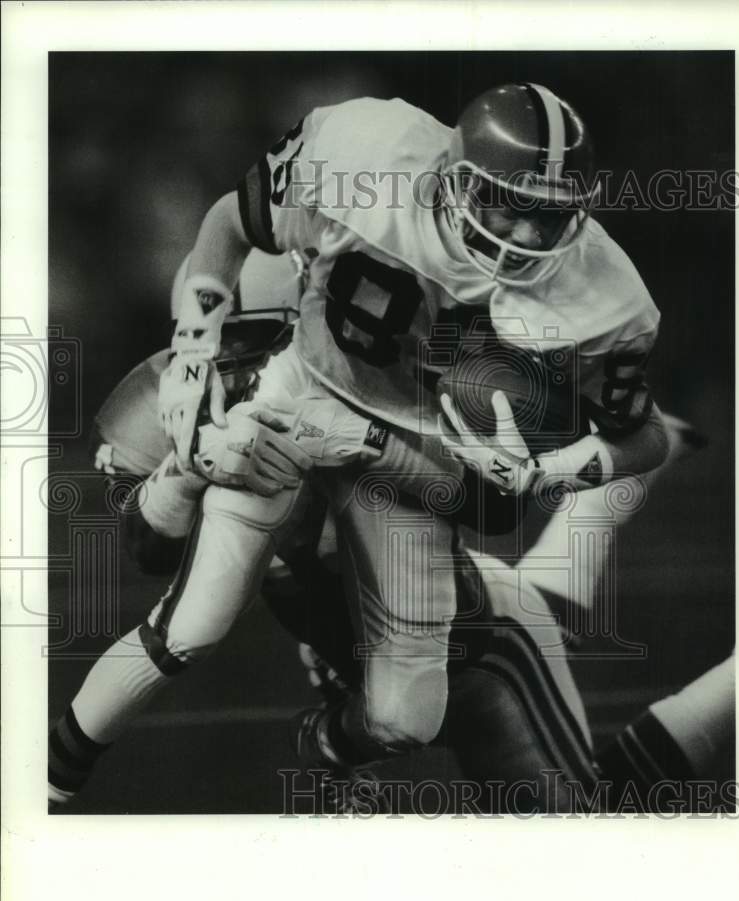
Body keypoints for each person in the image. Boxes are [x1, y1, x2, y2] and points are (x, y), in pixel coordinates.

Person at [48, 82, 671, 807]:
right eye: (513, 204)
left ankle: (323, 744)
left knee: (407, 718)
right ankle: (48, 782)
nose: (531, 237)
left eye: (552, 214)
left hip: (412, 462)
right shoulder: (363, 156)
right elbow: (229, 225)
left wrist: (546, 471)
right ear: (455, 175)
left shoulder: (603, 294)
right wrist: (193, 356)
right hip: (299, 402)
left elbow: (641, 436)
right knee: (191, 626)